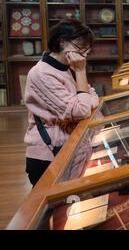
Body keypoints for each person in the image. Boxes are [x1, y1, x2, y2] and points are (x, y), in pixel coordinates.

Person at [24, 19, 99, 186]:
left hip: (70, 147)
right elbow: (81, 110)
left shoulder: (65, 67)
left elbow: (92, 96)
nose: (84, 56)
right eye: (81, 49)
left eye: (87, 51)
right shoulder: (41, 73)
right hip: (48, 155)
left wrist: (84, 99)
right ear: (62, 41)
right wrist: (81, 72)